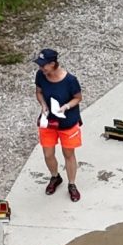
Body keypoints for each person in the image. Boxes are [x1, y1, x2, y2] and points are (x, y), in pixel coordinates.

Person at [34, 49, 84, 202]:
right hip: (48, 121)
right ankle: (55, 177)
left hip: (67, 122)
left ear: (53, 64)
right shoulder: (40, 76)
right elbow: (39, 92)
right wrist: (43, 104)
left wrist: (66, 107)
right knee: (48, 154)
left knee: (68, 154)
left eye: (44, 66)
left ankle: (72, 184)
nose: (41, 69)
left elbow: (78, 98)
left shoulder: (70, 80)